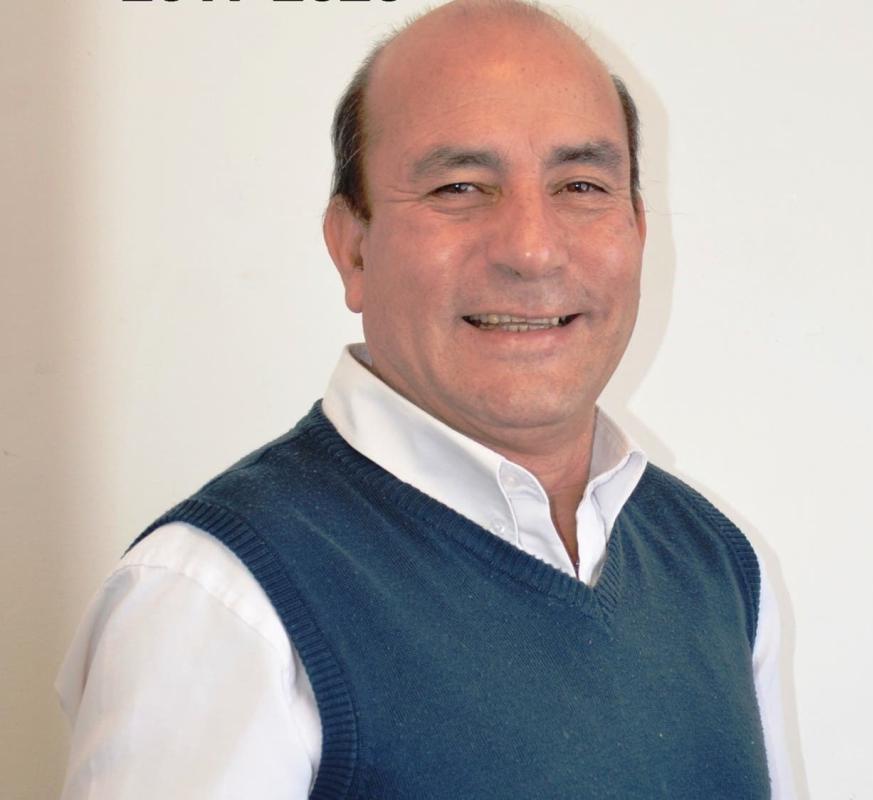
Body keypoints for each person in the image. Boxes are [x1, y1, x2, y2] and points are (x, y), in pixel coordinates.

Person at [57, 1, 795, 797]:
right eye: (459, 187)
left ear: (637, 230)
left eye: (581, 185)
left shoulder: (718, 568)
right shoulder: (222, 600)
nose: (532, 249)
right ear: (353, 248)